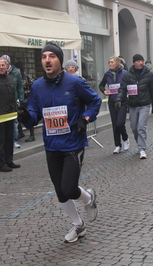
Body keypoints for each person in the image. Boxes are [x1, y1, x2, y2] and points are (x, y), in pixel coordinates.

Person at [18, 42, 101, 243]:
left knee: (69, 188)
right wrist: (24, 116)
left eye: (52, 56)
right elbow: (34, 116)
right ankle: (78, 226)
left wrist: (85, 118)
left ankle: (89, 198)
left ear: (60, 61)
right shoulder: (37, 86)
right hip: (51, 145)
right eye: (44, 57)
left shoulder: (75, 82)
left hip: (73, 142)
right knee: (60, 192)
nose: (47, 60)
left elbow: (95, 101)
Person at [115, 53, 153, 159]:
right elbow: (122, 88)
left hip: (144, 104)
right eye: (138, 61)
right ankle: (139, 142)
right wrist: (119, 99)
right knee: (134, 128)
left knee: (141, 127)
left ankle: (142, 149)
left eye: (142, 61)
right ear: (134, 62)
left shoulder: (148, 74)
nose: (141, 63)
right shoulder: (128, 75)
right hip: (133, 105)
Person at [99, 56, 129, 154]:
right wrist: (104, 91)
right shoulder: (107, 74)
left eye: (111, 62)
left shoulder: (124, 73)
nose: (110, 64)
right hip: (112, 102)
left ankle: (125, 139)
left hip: (122, 101)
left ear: (117, 63)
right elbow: (101, 85)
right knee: (115, 125)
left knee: (120, 123)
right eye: (109, 62)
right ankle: (117, 145)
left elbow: (130, 84)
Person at [1, 55, 24, 148]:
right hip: (2, 102)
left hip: (13, 100)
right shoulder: (0, 73)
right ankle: (3, 140)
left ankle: (14, 139)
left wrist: (21, 100)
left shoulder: (16, 73)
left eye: (5, 63)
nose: (4, 66)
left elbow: (19, 87)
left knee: (14, 122)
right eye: (2, 64)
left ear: (9, 63)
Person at [14, 61, 35, 142]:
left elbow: (32, 85)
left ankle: (32, 135)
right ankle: (20, 132)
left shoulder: (25, 76)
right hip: (19, 99)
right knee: (18, 116)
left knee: (28, 116)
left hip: (26, 99)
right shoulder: (19, 76)